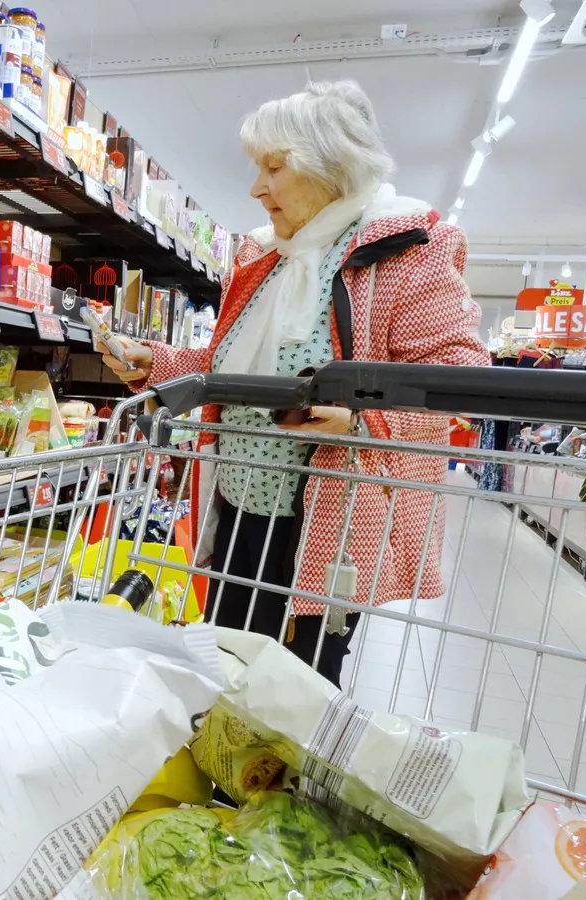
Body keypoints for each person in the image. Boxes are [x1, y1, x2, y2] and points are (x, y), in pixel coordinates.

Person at [99, 80, 489, 687]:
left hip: (327, 519)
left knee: (294, 690)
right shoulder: (265, 260)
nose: (256, 187)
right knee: (228, 669)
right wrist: (157, 363)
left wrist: (359, 421)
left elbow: (458, 384)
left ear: (330, 168)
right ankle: (230, 777)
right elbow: (235, 368)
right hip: (237, 504)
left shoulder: (408, 251)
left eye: (273, 168)